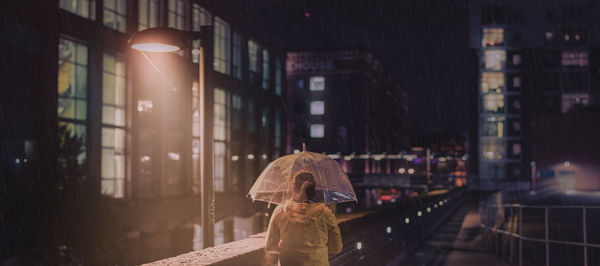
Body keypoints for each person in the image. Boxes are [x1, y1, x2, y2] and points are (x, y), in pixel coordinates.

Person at [265, 171, 343, 266]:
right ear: (314, 190)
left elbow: (270, 246)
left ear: (293, 189)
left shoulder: (280, 211)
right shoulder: (325, 212)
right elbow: (336, 248)